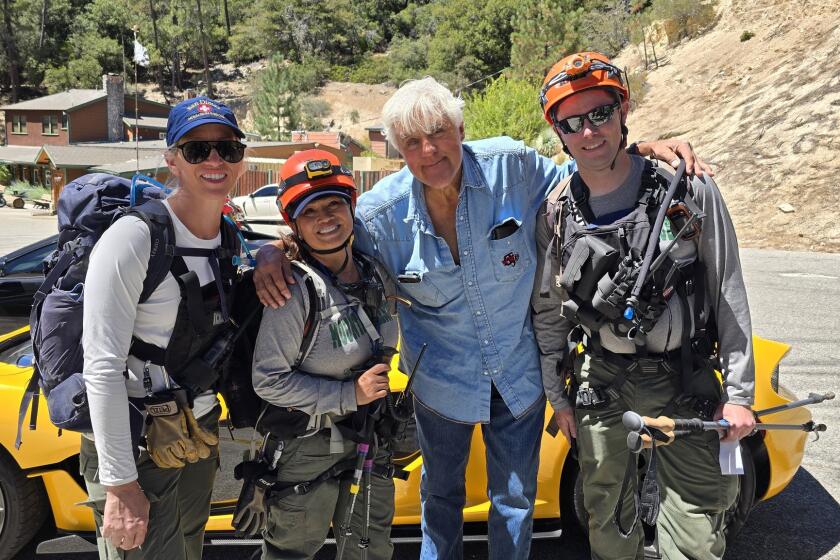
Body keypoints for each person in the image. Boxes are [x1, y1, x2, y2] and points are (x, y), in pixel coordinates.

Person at [253, 76, 709, 560]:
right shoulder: (379, 215)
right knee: (440, 499)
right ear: (397, 151)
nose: (429, 151)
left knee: (513, 502)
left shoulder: (512, 167)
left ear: (461, 128)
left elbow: (588, 173)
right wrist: (271, 251)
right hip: (439, 386)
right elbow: (324, 240)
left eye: (438, 132)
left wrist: (635, 151)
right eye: (412, 142)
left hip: (519, 378)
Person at [531, 51, 755, 560]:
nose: (589, 133)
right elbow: (548, 312)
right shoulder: (557, 212)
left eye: (600, 114)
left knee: (698, 532)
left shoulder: (689, 187)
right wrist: (558, 397)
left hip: (687, 378)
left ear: (623, 109)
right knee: (605, 520)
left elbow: (728, 290)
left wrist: (740, 393)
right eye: (572, 122)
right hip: (601, 380)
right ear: (558, 132)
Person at [81, 96, 248, 559]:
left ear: (240, 159)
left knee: (189, 550)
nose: (214, 160)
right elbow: (101, 365)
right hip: (136, 444)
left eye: (227, 148)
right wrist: (120, 484)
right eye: (197, 150)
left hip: (195, 432)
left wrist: (275, 253)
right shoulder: (134, 239)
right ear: (171, 160)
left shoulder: (229, 238)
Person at [247, 149, 399, 560]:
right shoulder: (291, 289)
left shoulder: (374, 271)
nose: (326, 218)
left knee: (369, 550)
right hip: (309, 446)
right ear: (293, 223)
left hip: (369, 437)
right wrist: (350, 394)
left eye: (334, 203)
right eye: (309, 211)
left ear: (351, 206)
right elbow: (268, 380)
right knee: (291, 553)